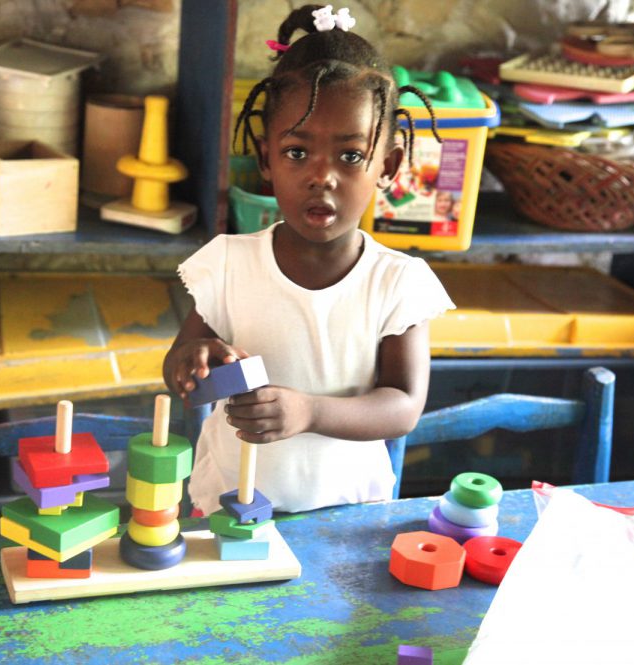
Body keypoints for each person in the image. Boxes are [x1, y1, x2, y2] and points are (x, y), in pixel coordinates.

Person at [163, 4, 455, 515]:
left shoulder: (398, 282)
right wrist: (193, 361)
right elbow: (181, 371)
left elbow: (404, 405)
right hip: (226, 509)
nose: (323, 176)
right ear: (266, 159)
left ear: (387, 166)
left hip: (346, 515)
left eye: (349, 155)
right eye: (298, 152)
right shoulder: (229, 264)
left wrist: (310, 411)